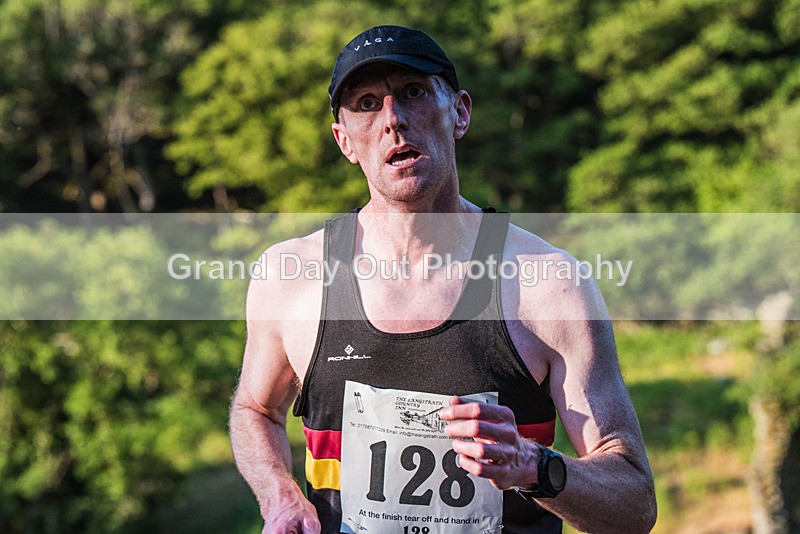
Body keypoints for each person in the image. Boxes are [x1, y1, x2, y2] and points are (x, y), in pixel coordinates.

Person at [230, 25, 657, 534]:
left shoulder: (549, 284)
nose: (393, 120)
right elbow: (255, 409)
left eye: (412, 92)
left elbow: (634, 505)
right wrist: (280, 497)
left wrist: (533, 466)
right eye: (367, 103)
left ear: (459, 112)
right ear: (344, 141)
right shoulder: (290, 278)